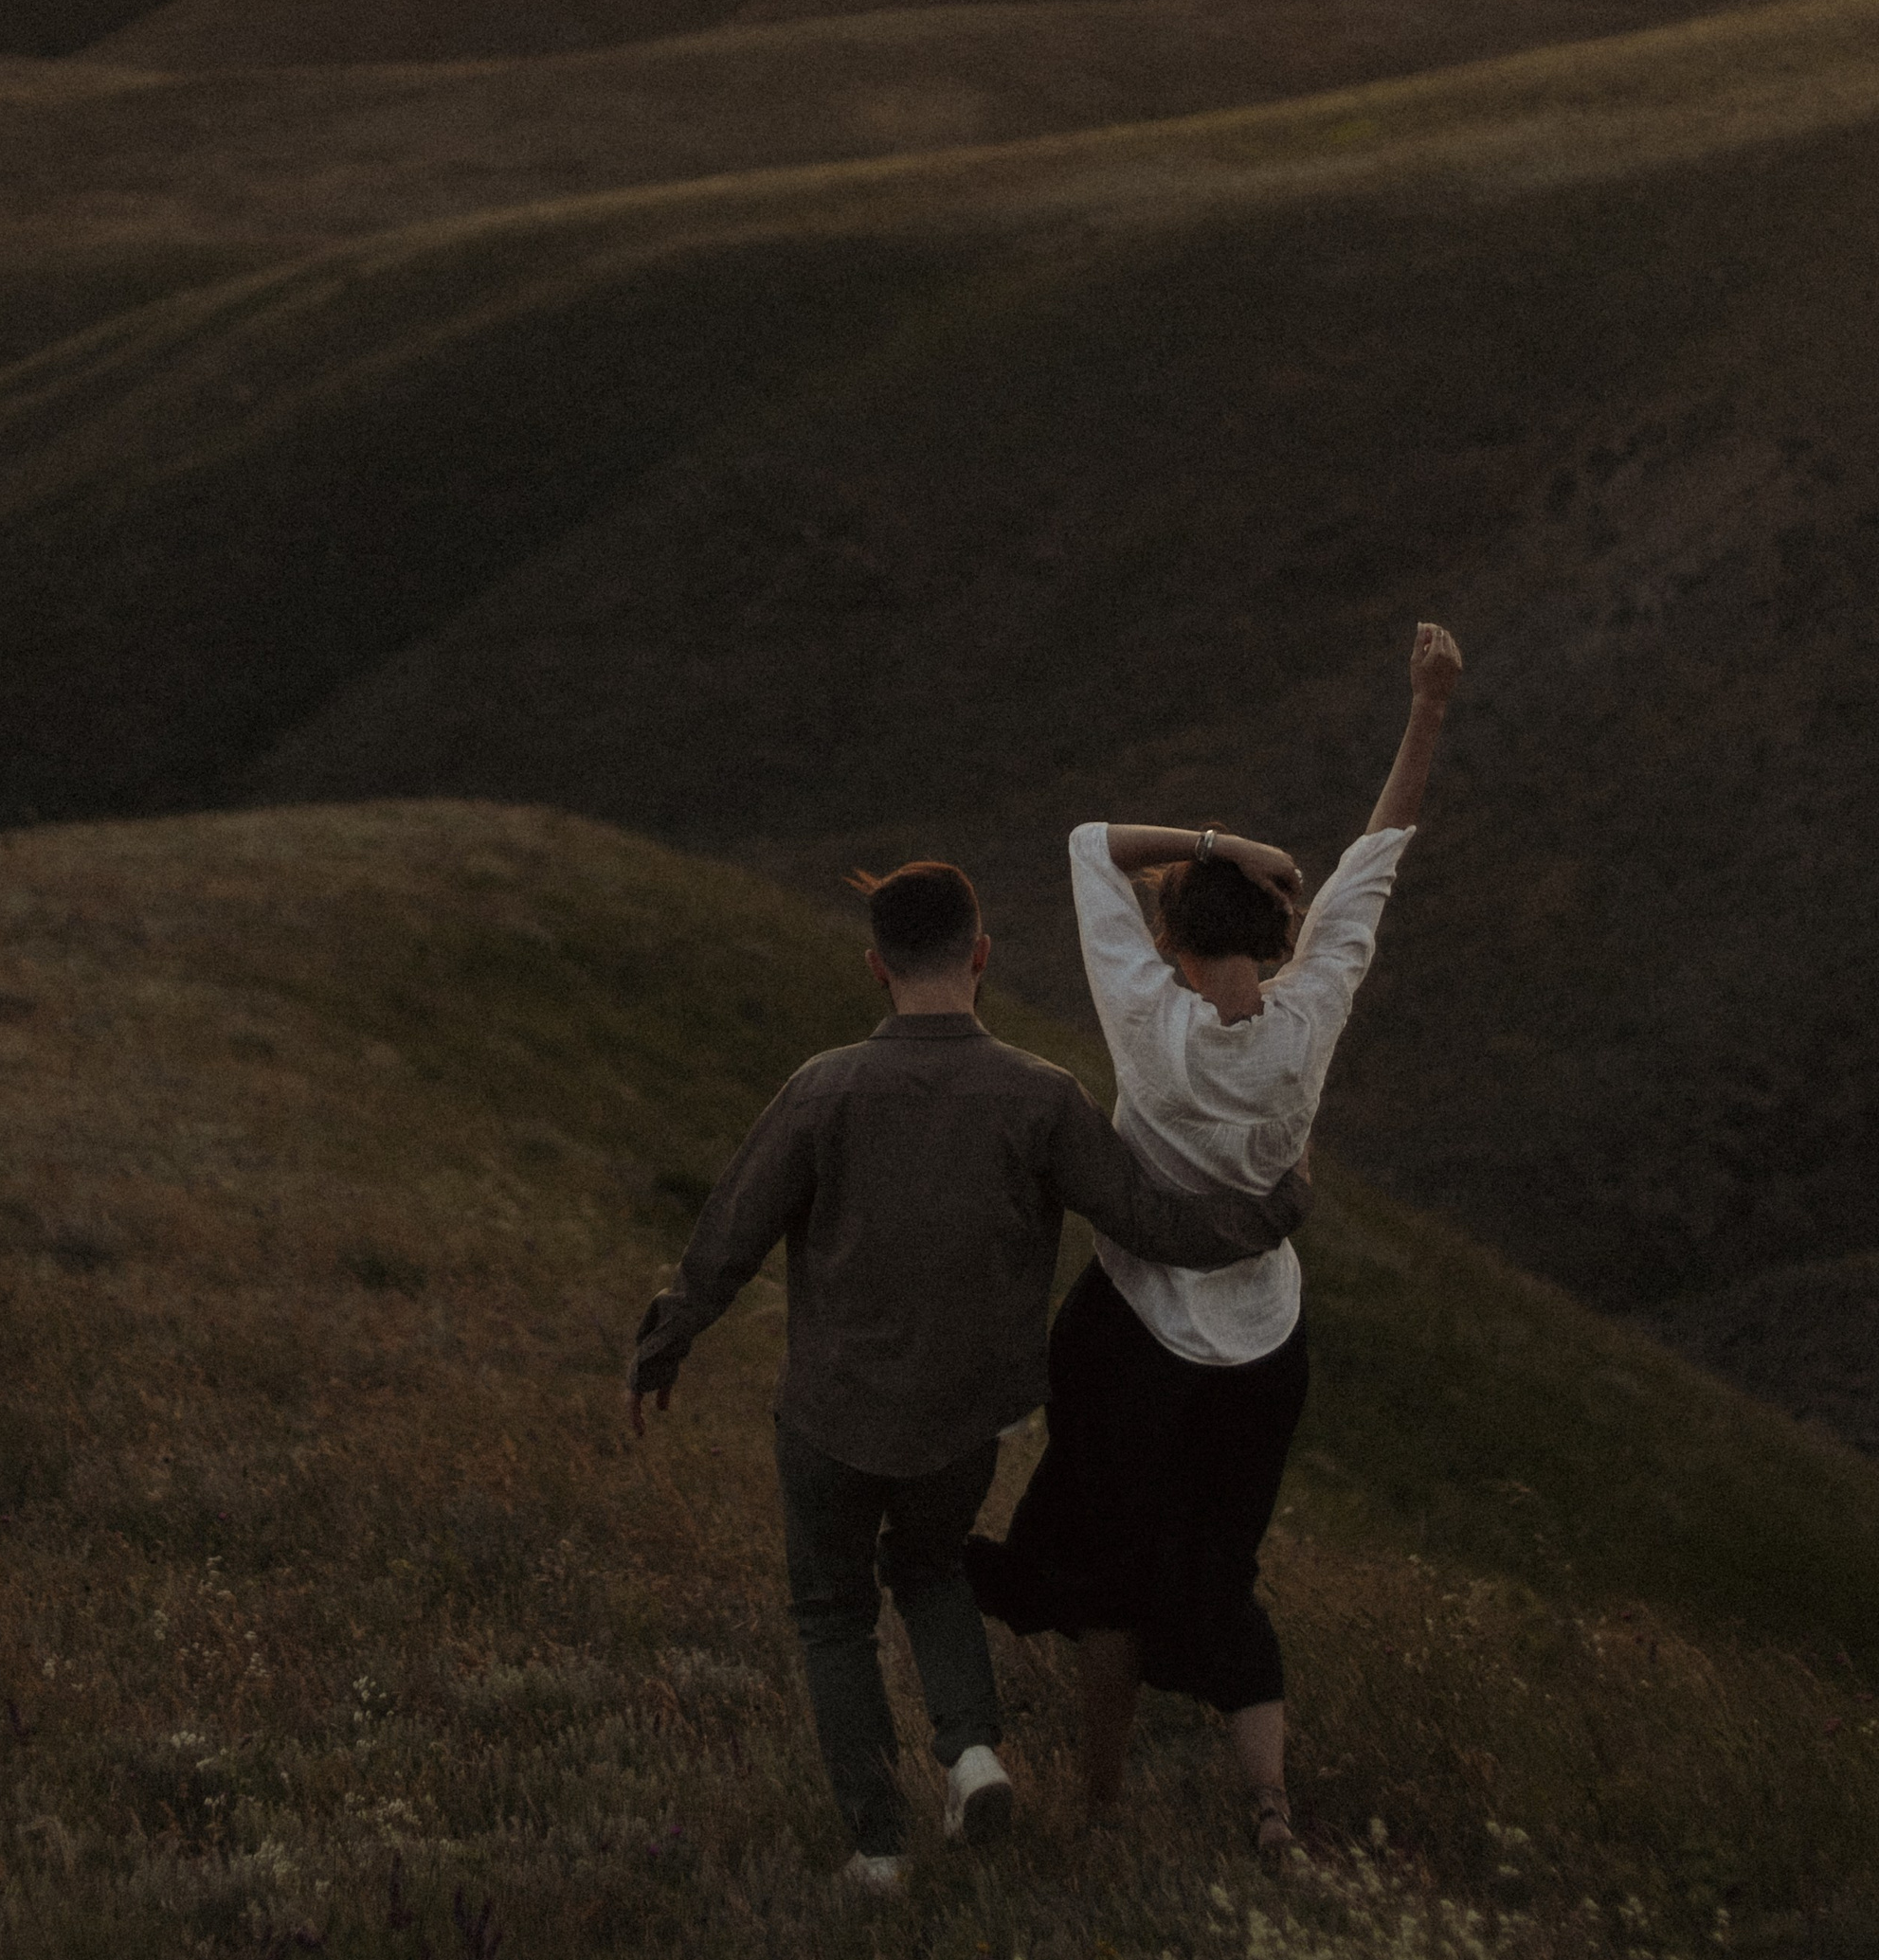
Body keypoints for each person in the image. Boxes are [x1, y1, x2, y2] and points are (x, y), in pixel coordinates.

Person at [627, 858, 1317, 1893]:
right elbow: (1154, 1224)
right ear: (981, 955)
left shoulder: (820, 1089)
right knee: (934, 1568)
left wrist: (664, 1340)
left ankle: (877, 1846)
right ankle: (972, 1751)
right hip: (961, 1421)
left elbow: (730, 1231)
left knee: (831, 1614)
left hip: (828, 1413)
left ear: (875, 967)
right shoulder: (1040, 1097)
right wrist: (1274, 1208)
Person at [965, 622, 1464, 1855]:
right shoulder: (1311, 1014)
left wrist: (1218, 844)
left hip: (1137, 1333)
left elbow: (1088, 843)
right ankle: (1272, 1814)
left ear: (1178, 952)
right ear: (1277, 943)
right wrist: (1430, 704)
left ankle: (1100, 1803)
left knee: (1104, 1579)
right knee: (1219, 1573)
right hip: (1265, 1341)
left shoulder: (1150, 1021)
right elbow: (1377, 851)